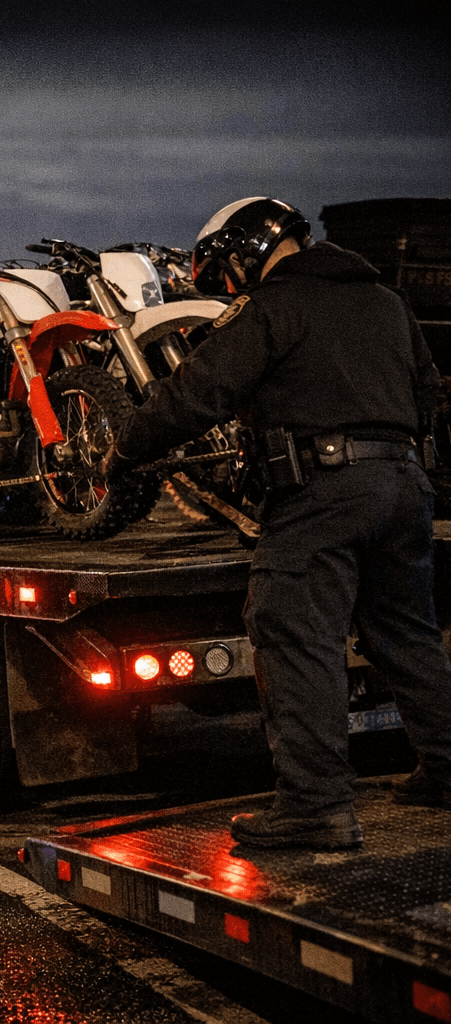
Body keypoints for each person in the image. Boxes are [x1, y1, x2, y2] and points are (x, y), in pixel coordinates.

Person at [115, 196, 451, 850]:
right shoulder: (385, 301)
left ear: (246, 251)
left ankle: (316, 806)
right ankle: (447, 770)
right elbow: (428, 392)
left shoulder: (272, 307)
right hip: (403, 486)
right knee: (407, 636)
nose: (229, 284)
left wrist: (125, 448)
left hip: (321, 494)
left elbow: (194, 394)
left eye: (225, 271)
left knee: (296, 634)